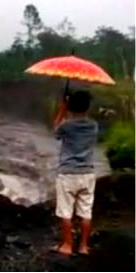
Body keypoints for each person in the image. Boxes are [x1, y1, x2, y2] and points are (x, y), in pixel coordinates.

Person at [53, 90, 98, 256]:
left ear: (71, 107)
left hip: (68, 174)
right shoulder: (94, 125)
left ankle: (67, 244)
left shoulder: (67, 126)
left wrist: (62, 109)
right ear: (88, 107)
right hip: (88, 173)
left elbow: (55, 131)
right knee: (86, 212)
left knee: (65, 211)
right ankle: (84, 246)